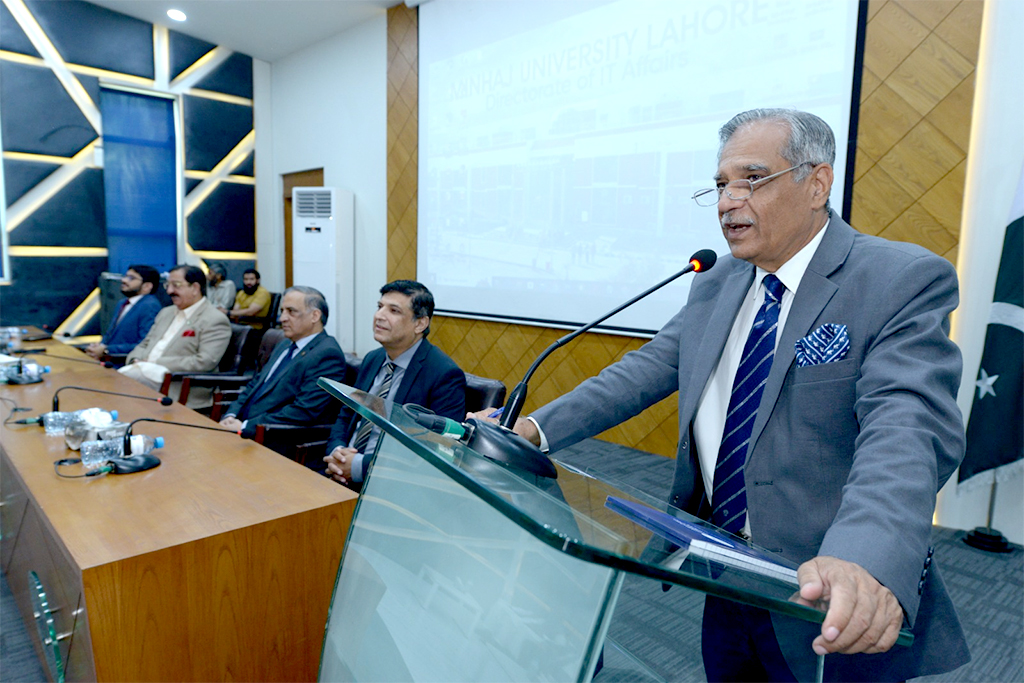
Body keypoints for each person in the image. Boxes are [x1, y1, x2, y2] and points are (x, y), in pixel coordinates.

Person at [476, 109, 970, 682]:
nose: (727, 202)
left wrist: (862, 557)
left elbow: (905, 431)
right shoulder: (716, 281)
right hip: (724, 572)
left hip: (827, 591)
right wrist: (532, 429)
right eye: (719, 185)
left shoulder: (896, 280)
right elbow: (641, 373)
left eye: (751, 180)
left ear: (817, 183)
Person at [324, 280, 466, 489]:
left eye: (394, 310)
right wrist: (337, 452)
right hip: (340, 472)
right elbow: (346, 415)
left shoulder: (444, 374)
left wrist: (359, 466)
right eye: (379, 306)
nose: (379, 315)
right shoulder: (373, 359)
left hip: (391, 487)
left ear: (420, 324)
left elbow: (439, 450)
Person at [220, 286, 347, 439]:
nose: (282, 318)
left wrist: (246, 427)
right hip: (242, 427)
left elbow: (303, 411)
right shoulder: (285, 344)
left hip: (273, 437)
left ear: (315, 316)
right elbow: (256, 384)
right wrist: (231, 414)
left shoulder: (327, 355)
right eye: (282, 311)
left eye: (291, 311)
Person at [120, 264, 231, 407]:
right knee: (110, 383)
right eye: (168, 285)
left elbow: (204, 361)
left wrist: (157, 363)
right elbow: (145, 343)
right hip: (144, 372)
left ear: (195, 288)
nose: (169, 291)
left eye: (176, 285)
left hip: (177, 383)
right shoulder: (166, 312)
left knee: (115, 385)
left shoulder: (214, 319)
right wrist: (136, 359)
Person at [85, 265, 162, 360]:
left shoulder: (150, 306)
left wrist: (107, 350)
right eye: (125, 276)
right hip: (108, 362)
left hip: (125, 364)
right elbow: (110, 334)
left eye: (131, 278)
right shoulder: (122, 302)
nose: (124, 280)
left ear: (147, 286)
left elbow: (143, 344)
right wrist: (99, 346)